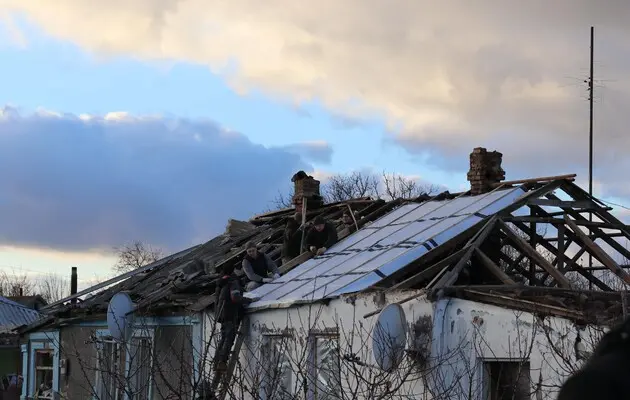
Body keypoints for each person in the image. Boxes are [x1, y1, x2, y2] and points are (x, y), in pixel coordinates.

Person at [214, 263, 252, 372]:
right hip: (230, 313)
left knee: (223, 338)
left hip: (221, 314)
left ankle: (216, 361)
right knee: (229, 338)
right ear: (233, 270)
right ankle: (222, 361)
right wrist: (248, 300)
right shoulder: (233, 281)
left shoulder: (221, 283)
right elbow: (235, 298)